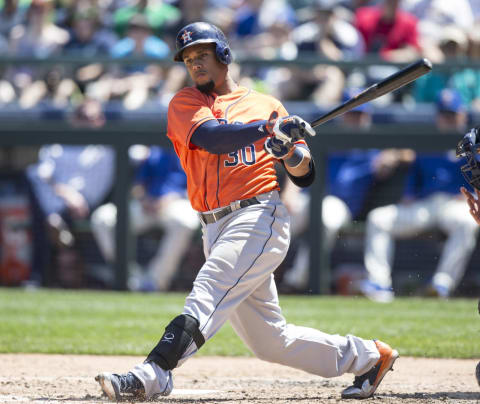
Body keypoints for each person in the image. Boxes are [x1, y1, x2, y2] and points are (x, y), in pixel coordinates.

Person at [95, 22, 398, 401]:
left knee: (208, 292)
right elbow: (212, 139)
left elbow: (305, 175)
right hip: (212, 224)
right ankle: (369, 356)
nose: (195, 63)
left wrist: (291, 151)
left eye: (202, 54)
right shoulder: (185, 103)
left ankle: (153, 372)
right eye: (189, 58)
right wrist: (267, 130)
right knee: (270, 341)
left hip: (257, 217)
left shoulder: (267, 105)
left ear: (224, 54)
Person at [361, 89, 478, 301]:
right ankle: (379, 284)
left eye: (452, 114)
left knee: (467, 223)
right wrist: (408, 194)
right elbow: (413, 175)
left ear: (462, 114)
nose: (448, 119)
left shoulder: (473, 144)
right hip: (426, 204)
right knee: (379, 219)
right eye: (444, 115)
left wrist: (473, 196)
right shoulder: (427, 141)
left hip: (458, 203)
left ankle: (441, 284)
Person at [90, 146, 199, 292]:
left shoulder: (197, 146)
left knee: (185, 222)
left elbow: (201, 185)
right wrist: (143, 199)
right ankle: (131, 278)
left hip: (179, 202)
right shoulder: (155, 149)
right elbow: (138, 185)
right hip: (146, 205)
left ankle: (155, 281)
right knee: (102, 219)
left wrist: (172, 198)